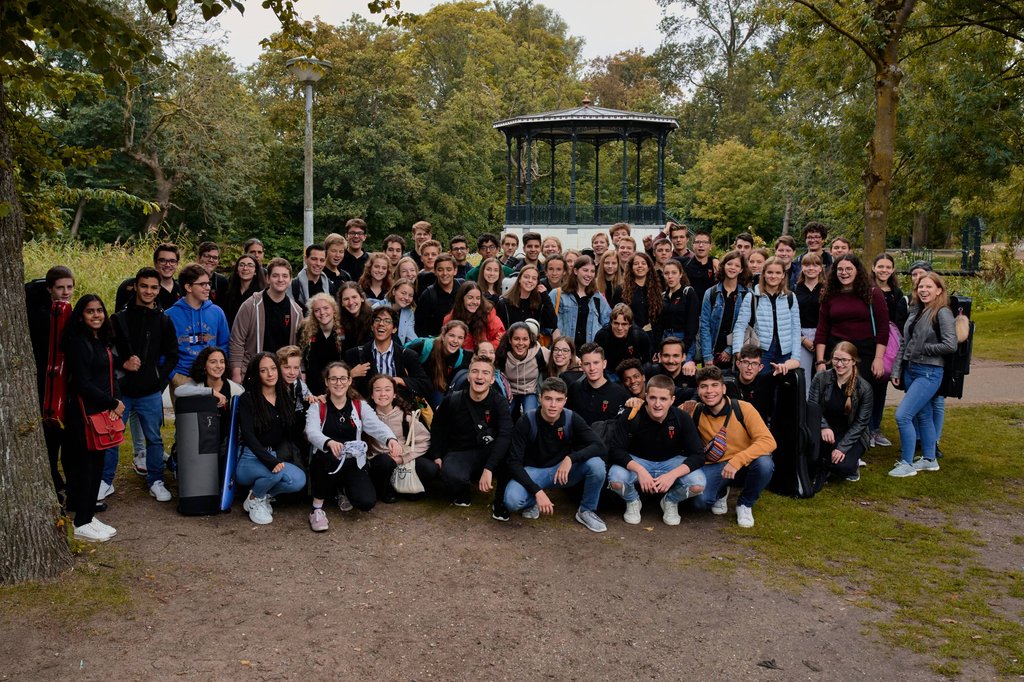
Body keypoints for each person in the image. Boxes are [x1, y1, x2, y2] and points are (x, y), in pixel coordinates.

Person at [302, 361, 400, 530]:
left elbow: (376, 426)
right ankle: (317, 509)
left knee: (366, 502)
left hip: (352, 460)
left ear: (349, 381)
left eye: (342, 378)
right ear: (326, 382)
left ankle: (342, 490)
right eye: (333, 379)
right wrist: (328, 442)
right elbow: (311, 431)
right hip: (326, 460)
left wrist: (390, 439)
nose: (338, 383)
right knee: (328, 460)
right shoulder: (318, 406)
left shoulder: (359, 405)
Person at [502, 377, 608, 532]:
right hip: (534, 472)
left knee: (596, 465)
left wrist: (571, 458)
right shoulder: (527, 421)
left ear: (565, 401)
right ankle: (534, 501)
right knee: (511, 501)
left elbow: (600, 446)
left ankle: (586, 511)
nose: (553, 405)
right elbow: (513, 462)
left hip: (561, 472)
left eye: (558, 400)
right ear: (540, 398)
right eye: (548, 399)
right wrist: (537, 491)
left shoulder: (571, 418)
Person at [112, 267, 178, 502]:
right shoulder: (119, 319)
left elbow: (173, 355)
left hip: (149, 391)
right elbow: (106, 353)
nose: (148, 291)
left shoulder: (163, 320)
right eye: (144, 286)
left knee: (155, 438)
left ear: (158, 290)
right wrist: (123, 364)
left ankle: (156, 480)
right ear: (136, 287)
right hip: (122, 392)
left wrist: (158, 379)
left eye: (153, 287)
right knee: (112, 437)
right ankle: (105, 481)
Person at [606, 375, 706, 526]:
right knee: (616, 479)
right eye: (653, 398)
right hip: (638, 461)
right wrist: (640, 470)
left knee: (698, 483)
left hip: (671, 463)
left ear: (672, 400)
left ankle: (670, 501)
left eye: (663, 399)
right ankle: (632, 501)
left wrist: (672, 475)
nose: (657, 404)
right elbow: (615, 450)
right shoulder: (632, 415)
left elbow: (698, 455)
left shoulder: (682, 418)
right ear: (646, 397)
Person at [62, 295, 123, 542]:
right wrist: (112, 403)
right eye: (90, 311)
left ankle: (87, 515)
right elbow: (82, 383)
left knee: (96, 464)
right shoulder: (78, 343)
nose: (96, 315)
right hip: (84, 413)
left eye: (99, 310)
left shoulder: (101, 340)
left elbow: (110, 375)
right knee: (86, 467)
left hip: (101, 410)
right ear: (80, 316)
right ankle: (81, 522)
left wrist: (115, 401)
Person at [685, 367, 776, 528]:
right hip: (716, 465)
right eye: (704, 386)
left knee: (765, 464)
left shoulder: (743, 408)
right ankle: (721, 491)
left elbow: (769, 441)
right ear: (698, 390)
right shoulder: (694, 411)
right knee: (699, 503)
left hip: (744, 463)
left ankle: (745, 504)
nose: (709, 391)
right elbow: (664, 410)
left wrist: (738, 460)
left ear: (723, 388)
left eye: (714, 385)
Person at [889, 272, 957, 477]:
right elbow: (905, 342)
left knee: (903, 415)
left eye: (929, 287)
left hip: (929, 372)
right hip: (911, 370)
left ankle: (907, 463)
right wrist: (897, 369)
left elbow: (950, 344)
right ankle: (929, 459)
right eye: (921, 287)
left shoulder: (942, 312)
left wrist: (925, 349)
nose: (924, 290)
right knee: (924, 415)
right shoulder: (916, 310)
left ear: (939, 290)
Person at [232, 353, 307, 524]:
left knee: (298, 480)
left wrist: (306, 405)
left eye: (273, 368)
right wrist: (269, 461)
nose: (270, 374)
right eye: (263, 370)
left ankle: (259, 495)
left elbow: (292, 430)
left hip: (272, 456)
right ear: (256, 374)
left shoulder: (284, 397)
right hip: (249, 457)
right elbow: (249, 436)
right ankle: (255, 500)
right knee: (275, 472)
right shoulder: (248, 399)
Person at [430, 357, 512, 506]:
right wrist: (436, 454)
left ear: (492, 379)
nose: (479, 376)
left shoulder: (499, 402)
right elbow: (437, 426)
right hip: (460, 452)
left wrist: (489, 467)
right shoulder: (452, 400)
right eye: (475, 371)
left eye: (485, 373)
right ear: (468, 376)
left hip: (489, 451)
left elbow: (505, 435)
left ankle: (500, 502)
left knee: (510, 455)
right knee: (450, 475)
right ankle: (463, 490)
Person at [27, 265, 75, 499]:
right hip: (44, 380)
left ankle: (62, 478)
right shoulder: (40, 315)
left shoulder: (66, 310)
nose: (65, 292)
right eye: (60, 288)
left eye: (69, 287)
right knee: (49, 431)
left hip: (62, 378)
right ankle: (52, 477)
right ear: (49, 289)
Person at [814, 254, 888, 404]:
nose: (844, 273)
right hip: (837, 352)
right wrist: (820, 361)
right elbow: (822, 329)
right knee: (836, 399)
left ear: (857, 270)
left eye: (849, 269)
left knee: (861, 398)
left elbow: (883, 329)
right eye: (840, 269)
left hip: (865, 353)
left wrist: (879, 358)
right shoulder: (829, 295)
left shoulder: (873, 294)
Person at [364, 374, 437, 502]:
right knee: (384, 462)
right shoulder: (367, 417)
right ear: (372, 395)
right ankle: (385, 491)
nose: (383, 394)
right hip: (379, 463)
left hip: (402, 459)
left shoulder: (405, 417)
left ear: (394, 394)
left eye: (387, 389)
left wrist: (403, 458)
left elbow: (425, 441)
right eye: (377, 390)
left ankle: (407, 489)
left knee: (430, 468)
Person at [229, 257, 304, 383]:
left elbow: (298, 348)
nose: (280, 279)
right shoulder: (250, 305)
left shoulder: (296, 311)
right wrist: (237, 374)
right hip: (254, 373)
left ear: (290, 280)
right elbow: (237, 341)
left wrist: (300, 372)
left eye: (285, 276)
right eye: (275, 275)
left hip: (282, 376)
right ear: (268, 278)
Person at [808, 342, 872, 482]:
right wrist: (824, 427)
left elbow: (861, 423)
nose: (839, 364)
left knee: (842, 467)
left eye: (844, 360)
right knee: (809, 460)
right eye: (836, 359)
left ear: (853, 361)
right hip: (825, 431)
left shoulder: (864, 388)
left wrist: (842, 448)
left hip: (851, 434)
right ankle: (824, 462)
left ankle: (852, 464)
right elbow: (812, 406)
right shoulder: (821, 378)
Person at [166, 264, 230, 402]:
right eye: (202, 284)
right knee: (186, 416)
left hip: (211, 376)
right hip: (182, 376)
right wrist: (173, 375)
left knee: (212, 415)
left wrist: (218, 371)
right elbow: (162, 351)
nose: (208, 288)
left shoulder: (217, 312)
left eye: (208, 283)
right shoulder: (170, 315)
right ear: (188, 287)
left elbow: (224, 345)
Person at [345, 305, 431, 404]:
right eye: (377, 320)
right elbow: (339, 385)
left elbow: (425, 385)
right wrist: (350, 375)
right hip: (368, 409)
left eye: (387, 321)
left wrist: (400, 380)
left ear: (394, 329)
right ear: (372, 327)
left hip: (399, 408)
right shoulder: (354, 354)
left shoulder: (408, 355)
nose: (381, 324)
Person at [732, 256, 802, 376]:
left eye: (778, 273)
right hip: (761, 351)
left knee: (782, 385)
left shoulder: (790, 297)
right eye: (770, 272)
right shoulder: (752, 296)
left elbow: (795, 328)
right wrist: (738, 352)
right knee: (761, 383)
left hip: (785, 352)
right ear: (763, 274)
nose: (773, 276)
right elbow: (740, 326)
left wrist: (795, 357)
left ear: (783, 275)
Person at [869, 253, 908, 447]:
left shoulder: (896, 294)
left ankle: (875, 428)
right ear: (873, 267)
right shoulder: (866, 289)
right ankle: (864, 429)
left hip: (888, 345)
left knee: (880, 388)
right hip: (868, 340)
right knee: (865, 387)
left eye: (887, 267)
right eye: (880, 266)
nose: (883, 270)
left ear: (892, 270)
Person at [699, 250, 750, 370]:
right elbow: (704, 326)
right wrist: (707, 356)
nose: (732, 268)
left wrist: (730, 349)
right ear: (723, 266)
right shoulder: (711, 293)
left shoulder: (747, 295)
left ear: (741, 270)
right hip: (712, 351)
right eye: (729, 264)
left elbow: (747, 326)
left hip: (736, 352)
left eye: (737, 265)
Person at [406, 320, 473, 408]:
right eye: (452, 335)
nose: (455, 340)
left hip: (435, 386)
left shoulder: (459, 357)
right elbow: (402, 356)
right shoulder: (426, 346)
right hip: (412, 382)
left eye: (460, 338)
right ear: (443, 335)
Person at [550, 255, 610, 347]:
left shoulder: (597, 297)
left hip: (589, 352)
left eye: (592, 271)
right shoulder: (557, 294)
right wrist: (554, 330)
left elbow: (608, 322)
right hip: (564, 351)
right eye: (585, 270)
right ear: (575, 271)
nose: (589, 274)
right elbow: (545, 321)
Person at [495, 321, 550, 420]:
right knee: (503, 414)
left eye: (525, 339)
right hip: (509, 392)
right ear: (510, 340)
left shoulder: (539, 353)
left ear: (530, 340)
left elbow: (559, 355)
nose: (521, 343)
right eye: (516, 339)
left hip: (530, 391)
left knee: (530, 416)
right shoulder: (502, 355)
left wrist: (577, 360)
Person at [567, 343, 630, 425]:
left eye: (596, 363)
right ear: (581, 366)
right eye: (587, 364)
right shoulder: (574, 389)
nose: (592, 368)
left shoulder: (620, 393)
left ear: (604, 364)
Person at [115, 243, 183, 312]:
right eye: (162, 260)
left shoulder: (183, 289)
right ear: (155, 262)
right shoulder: (130, 287)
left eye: (172, 261)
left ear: (177, 264)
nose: (167, 265)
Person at [442, 281, 505, 351]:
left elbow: (500, 337)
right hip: (460, 355)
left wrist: (485, 350)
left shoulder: (488, 314)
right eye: (470, 298)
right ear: (462, 298)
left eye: (478, 298)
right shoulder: (451, 319)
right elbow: (445, 341)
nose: (475, 302)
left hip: (484, 355)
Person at [612, 252, 662, 339]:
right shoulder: (621, 290)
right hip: (628, 337)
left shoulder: (656, 289)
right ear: (631, 268)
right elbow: (614, 316)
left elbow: (659, 318)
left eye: (643, 263)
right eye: (636, 264)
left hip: (651, 337)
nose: (640, 266)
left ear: (649, 268)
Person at [497, 263, 557, 335]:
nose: (530, 280)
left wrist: (545, 296)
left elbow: (552, 323)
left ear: (537, 282)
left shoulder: (539, 304)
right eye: (526, 277)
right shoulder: (504, 303)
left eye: (534, 278)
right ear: (519, 279)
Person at [656, 258, 699, 354]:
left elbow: (693, 323)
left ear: (680, 274)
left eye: (674, 273)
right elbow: (659, 324)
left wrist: (685, 346)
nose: (670, 276)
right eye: (666, 273)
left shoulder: (688, 293)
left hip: (683, 339)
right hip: (665, 338)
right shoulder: (663, 296)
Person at [794, 252, 824, 385]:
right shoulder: (795, 289)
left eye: (815, 265)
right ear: (802, 267)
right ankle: (804, 399)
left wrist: (821, 338)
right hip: (801, 336)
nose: (811, 268)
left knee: (822, 375)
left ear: (820, 268)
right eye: (807, 265)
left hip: (822, 334)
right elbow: (792, 318)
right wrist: (802, 338)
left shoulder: (826, 289)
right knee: (803, 376)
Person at [594, 303, 652, 371]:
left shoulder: (640, 336)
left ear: (630, 324)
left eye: (624, 324)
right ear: (611, 323)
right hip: (609, 371)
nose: (620, 328)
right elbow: (596, 361)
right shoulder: (602, 336)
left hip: (633, 371)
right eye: (616, 323)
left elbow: (647, 362)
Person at [415, 254, 461, 338]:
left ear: (455, 271)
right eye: (440, 270)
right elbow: (420, 328)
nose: (444, 273)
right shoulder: (428, 295)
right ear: (435, 271)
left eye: (449, 269)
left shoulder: (463, 288)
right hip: (436, 340)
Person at [731, 344, 776, 424]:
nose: (749, 368)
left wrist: (784, 366)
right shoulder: (729, 380)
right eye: (745, 362)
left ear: (760, 367)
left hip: (758, 427)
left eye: (754, 363)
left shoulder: (765, 380)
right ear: (738, 364)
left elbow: (793, 364)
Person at [221, 255, 266, 328]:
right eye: (241, 265)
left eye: (250, 265)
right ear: (237, 270)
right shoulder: (228, 292)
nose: (245, 268)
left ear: (255, 271)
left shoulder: (262, 295)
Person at [290, 244, 338, 310]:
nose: (318, 263)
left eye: (322, 260)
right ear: (306, 259)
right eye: (314, 259)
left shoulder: (330, 286)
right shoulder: (294, 286)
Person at [790, 221, 833, 286]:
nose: (813, 240)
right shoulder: (798, 261)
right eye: (809, 237)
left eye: (816, 237)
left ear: (823, 239)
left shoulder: (831, 261)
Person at [682, 229, 718, 303]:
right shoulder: (685, 265)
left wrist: (715, 259)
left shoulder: (716, 266)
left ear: (710, 246)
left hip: (711, 307)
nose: (701, 245)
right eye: (698, 242)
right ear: (693, 245)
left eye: (705, 242)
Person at [338, 282, 374, 353]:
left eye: (354, 297)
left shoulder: (374, 318)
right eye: (346, 299)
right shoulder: (338, 322)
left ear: (362, 298)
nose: (350, 302)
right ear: (341, 303)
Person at [197, 241, 229, 305]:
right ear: (199, 258)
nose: (211, 260)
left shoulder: (222, 281)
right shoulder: (189, 279)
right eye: (207, 256)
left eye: (215, 258)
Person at [388, 278, 418, 346]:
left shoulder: (409, 313)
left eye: (410, 295)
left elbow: (411, 337)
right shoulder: (378, 308)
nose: (406, 298)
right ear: (394, 291)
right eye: (403, 293)